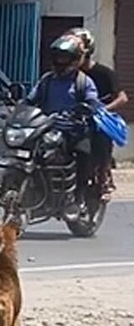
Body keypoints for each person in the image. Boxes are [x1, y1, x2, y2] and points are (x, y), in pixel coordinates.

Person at [22, 32, 101, 219]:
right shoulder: (47, 80)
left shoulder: (83, 82)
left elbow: (92, 102)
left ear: (74, 59)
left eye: (65, 57)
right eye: (58, 57)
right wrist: (18, 108)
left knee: (83, 154)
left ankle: (79, 198)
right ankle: (38, 197)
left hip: (74, 131)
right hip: (48, 128)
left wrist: (85, 108)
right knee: (34, 153)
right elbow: (31, 99)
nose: (61, 60)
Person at [68, 27, 128, 200]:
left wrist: (102, 110)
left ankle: (102, 180)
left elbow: (122, 98)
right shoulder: (66, 74)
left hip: (97, 119)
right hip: (74, 119)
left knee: (101, 139)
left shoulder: (104, 73)